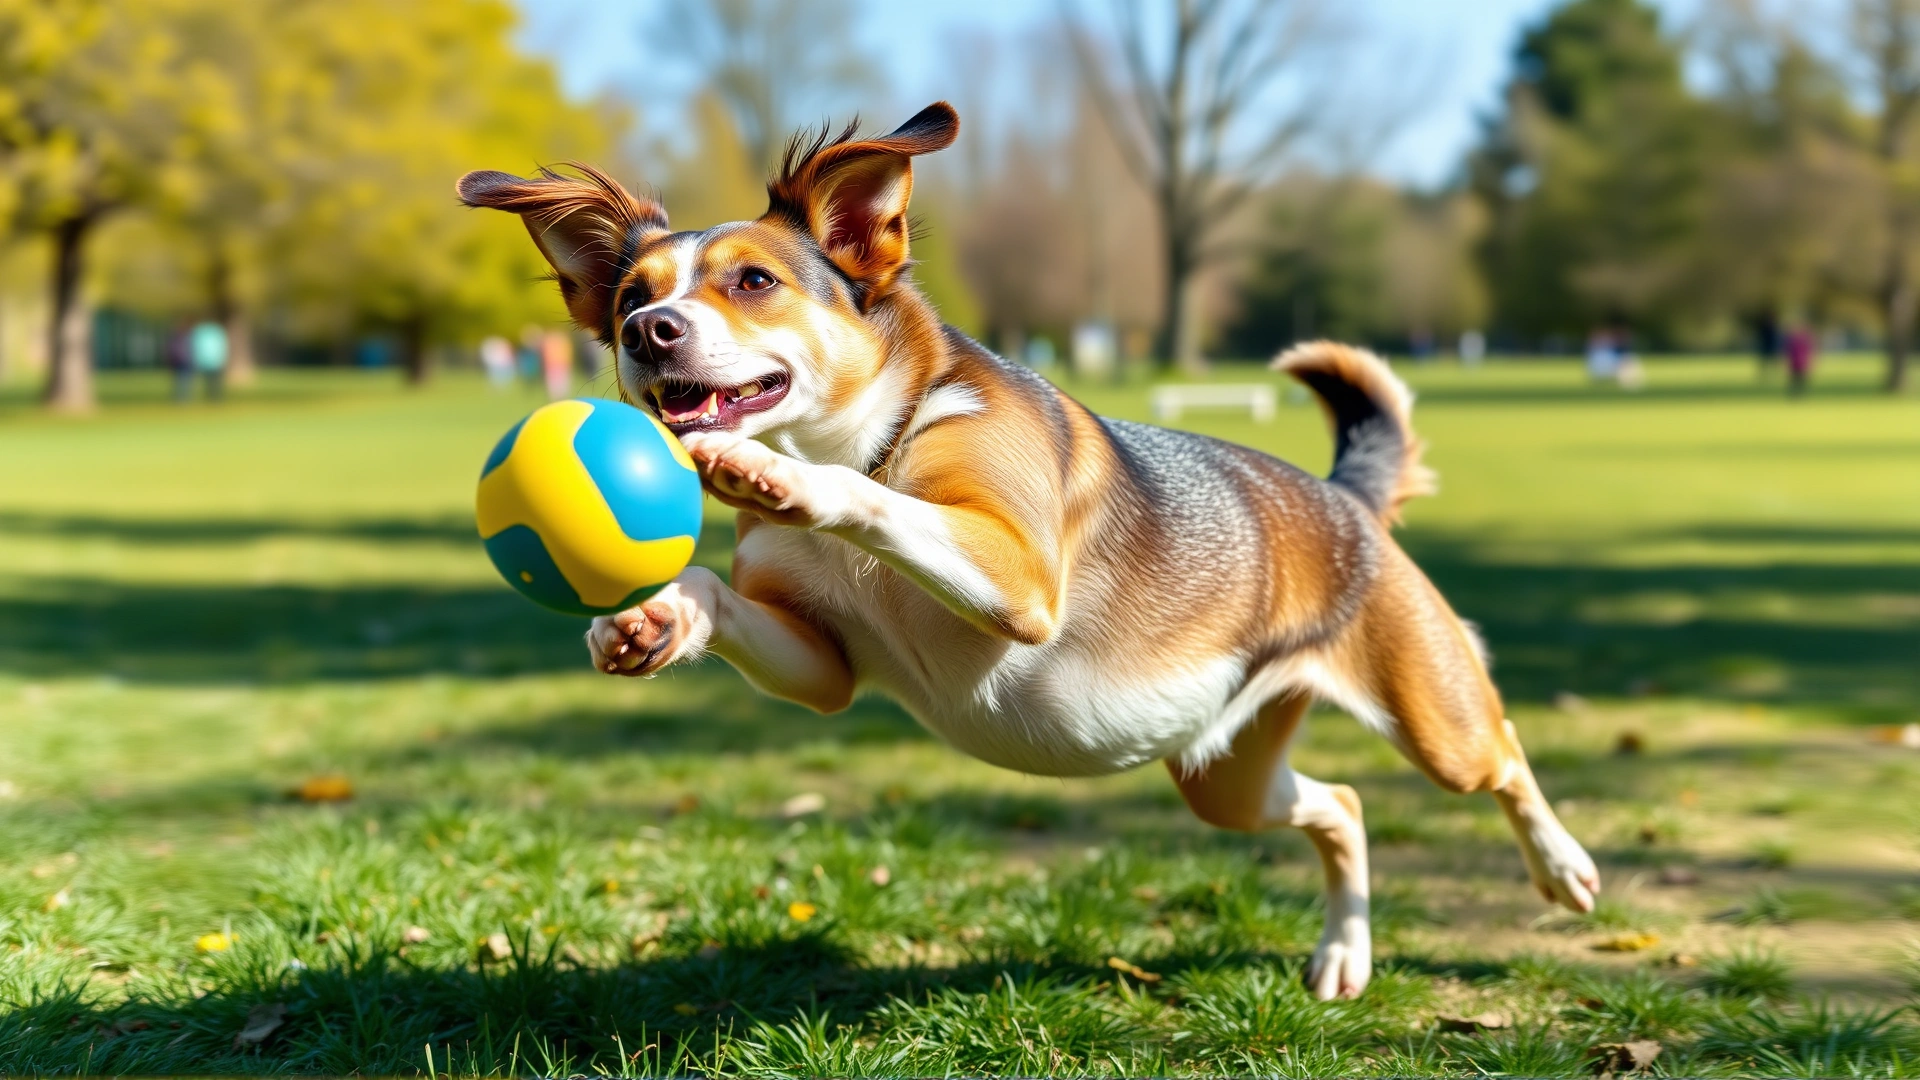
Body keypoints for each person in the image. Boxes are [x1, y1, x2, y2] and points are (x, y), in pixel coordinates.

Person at [188, 319, 228, 401]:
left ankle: (213, 396)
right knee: (214, 381)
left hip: (207, 361)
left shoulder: (200, 332)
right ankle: (214, 397)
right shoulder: (217, 332)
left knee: (210, 381)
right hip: (214, 361)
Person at [540, 330, 574, 400]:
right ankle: (558, 397)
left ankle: (560, 397)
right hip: (554, 364)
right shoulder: (557, 341)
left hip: (559, 364)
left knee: (559, 382)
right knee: (556, 383)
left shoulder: (552, 341)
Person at [166, 321, 194, 403]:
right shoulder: (187, 338)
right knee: (184, 380)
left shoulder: (175, 339)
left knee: (180, 380)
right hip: (185, 362)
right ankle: (184, 397)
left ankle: (181, 397)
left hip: (178, 362)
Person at [1785, 324, 1815, 397]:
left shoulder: (1795, 341)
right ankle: (1797, 393)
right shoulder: (1795, 341)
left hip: (1799, 363)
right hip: (1798, 363)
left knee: (1799, 380)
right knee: (1796, 380)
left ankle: (1798, 393)